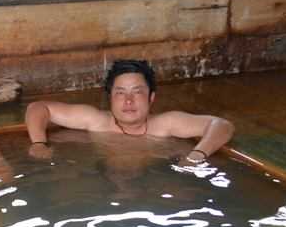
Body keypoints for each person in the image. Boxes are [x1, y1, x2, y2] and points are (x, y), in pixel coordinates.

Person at [24, 60, 234, 163]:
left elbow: (221, 125)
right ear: (110, 98)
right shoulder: (96, 120)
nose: (128, 101)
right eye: (120, 93)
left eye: (137, 92)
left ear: (151, 98)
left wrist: (197, 155)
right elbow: (38, 108)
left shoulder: (165, 124)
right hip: (103, 181)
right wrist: (38, 143)